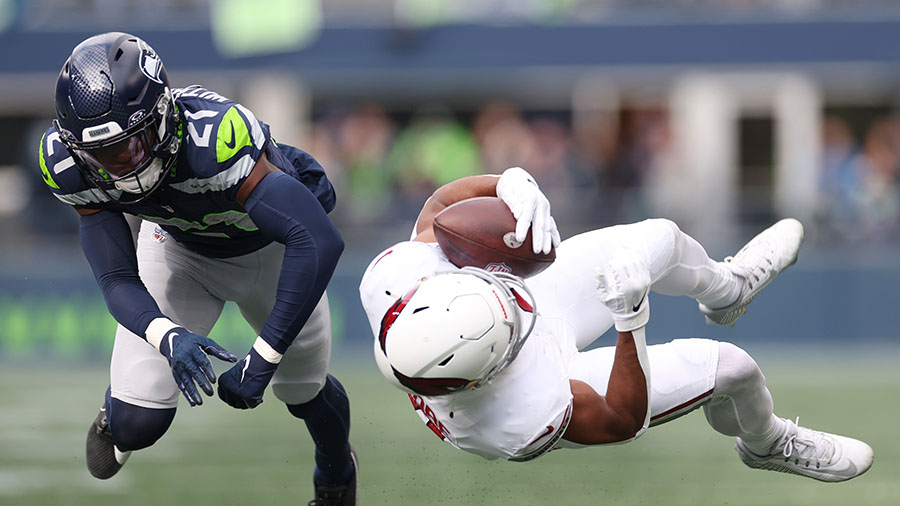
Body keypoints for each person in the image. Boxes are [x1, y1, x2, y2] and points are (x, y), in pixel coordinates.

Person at [359, 166, 874, 481]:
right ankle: (768, 443)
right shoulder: (513, 417)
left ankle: (727, 290)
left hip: (519, 323)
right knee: (735, 369)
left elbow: (439, 207)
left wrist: (510, 183)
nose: (509, 303)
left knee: (661, 238)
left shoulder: (394, 279)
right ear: (487, 370)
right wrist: (630, 316)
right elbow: (619, 418)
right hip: (538, 375)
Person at [40, 33, 357, 505]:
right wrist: (168, 335)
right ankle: (116, 412)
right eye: (104, 156)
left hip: (269, 253)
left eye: (133, 143)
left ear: (163, 114)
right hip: (178, 251)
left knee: (303, 391)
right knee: (137, 423)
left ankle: (335, 478)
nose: (124, 166)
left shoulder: (216, 136)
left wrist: (264, 355)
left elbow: (317, 239)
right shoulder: (68, 163)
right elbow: (115, 276)